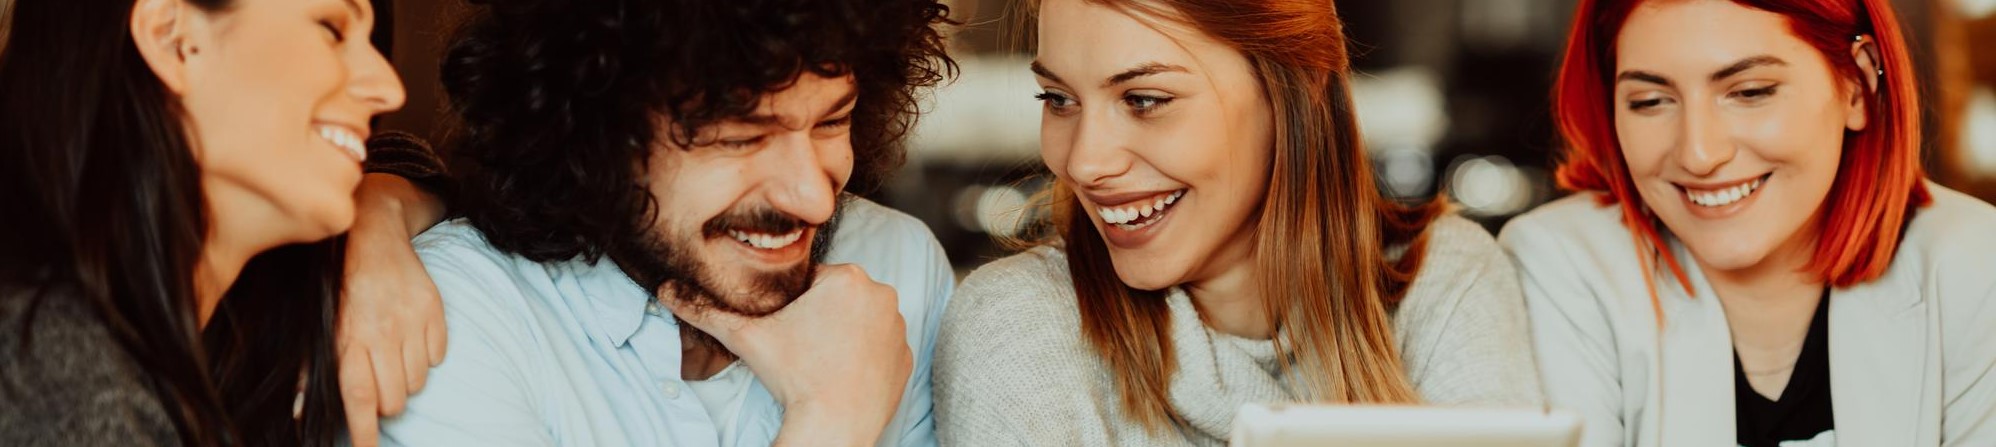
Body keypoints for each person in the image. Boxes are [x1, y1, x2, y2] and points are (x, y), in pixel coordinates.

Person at [931, 0, 1543, 444]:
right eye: (1058, 100)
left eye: (1146, 100)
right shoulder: (1018, 323)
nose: (1084, 162)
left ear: (1293, 92)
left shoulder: (1444, 279)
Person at [373, 0, 957, 445]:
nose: (814, 200)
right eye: (741, 137)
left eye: (832, 122)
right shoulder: (453, 313)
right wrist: (833, 419)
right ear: (596, 136)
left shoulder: (899, 262)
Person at [1501, 0, 1996, 445]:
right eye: (1650, 101)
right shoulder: (1561, 266)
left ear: (1857, 86)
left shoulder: (1974, 265)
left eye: (1751, 91)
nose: (1698, 153)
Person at [0, 0, 417, 444]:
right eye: (332, 29)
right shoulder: (55, 377)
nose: (390, 90)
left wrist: (386, 208)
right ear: (173, 40)